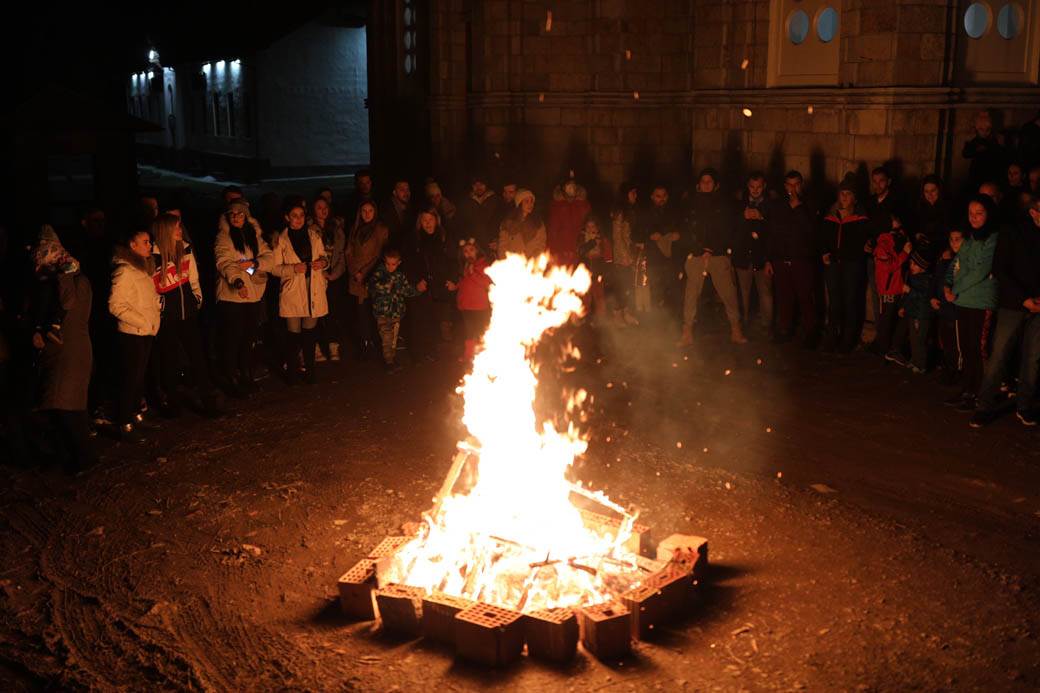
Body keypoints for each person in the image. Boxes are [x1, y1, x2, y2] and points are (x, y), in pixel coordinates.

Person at [970, 197, 1040, 427]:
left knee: (1033, 357)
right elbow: (1001, 268)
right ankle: (984, 405)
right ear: (1033, 212)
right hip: (1013, 304)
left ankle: (1025, 405)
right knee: (1000, 353)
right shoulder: (1012, 232)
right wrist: (1024, 299)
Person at [29, 227, 96, 469]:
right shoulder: (58, 282)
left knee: (67, 409)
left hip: (70, 351)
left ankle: (82, 459)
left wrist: (64, 275)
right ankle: (73, 457)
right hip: (63, 352)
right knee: (64, 407)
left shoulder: (71, 280)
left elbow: (68, 303)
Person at [151, 213, 221, 418]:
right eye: (176, 228)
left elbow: (193, 278)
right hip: (168, 318)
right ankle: (174, 405)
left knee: (197, 357)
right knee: (169, 360)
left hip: (188, 313)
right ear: (165, 232)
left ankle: (208, 402)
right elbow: (149, 288)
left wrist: (196, 298)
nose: (180, 231)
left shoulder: (186, 249)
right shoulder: (153, 258)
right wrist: (161, 306)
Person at [943, 195, 1000, 412]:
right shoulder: (970, 239)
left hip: (980, 301)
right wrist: (948, 285)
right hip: (963, 300)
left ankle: (980, 394)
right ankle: (968, 389)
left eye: (979, 213)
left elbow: (980, 270)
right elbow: (958, 263)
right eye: (971, 214)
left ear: (988, 214)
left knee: (978, 349)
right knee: (966, 348)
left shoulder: (993, 238)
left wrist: (955, 287)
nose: (974, 218)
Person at [681, 168, 746, 345]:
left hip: (718, 255)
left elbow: (728, 230)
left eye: (710, 181)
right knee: (691, 294)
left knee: (728, 293)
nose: (706, 184)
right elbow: (687, 229)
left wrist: (713, 249)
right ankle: (687, 331)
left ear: (716, 185)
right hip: (696, 256)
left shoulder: (724, 205)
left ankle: (735, 329)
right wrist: (699, 249)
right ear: (699, 184)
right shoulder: (691, 204)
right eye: (704, 181)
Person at [214, 199, 272, 396]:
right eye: (232, 214)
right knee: (233, 338)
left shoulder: (254, 236)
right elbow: (224, 261)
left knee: (248, 337)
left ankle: (246, 374)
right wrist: (237, 282)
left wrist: (254, 264)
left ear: (246, 216)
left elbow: (269, 257)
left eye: (240, 214)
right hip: (232, 298)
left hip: (254, 295)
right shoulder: (224, 237)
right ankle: (231, 377)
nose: (236, 217)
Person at [109, 230, 160, 441]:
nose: (150, 245)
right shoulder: (124, 271)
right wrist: (143, 322)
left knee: (138, 378)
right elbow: (115, 305)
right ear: (132, 245)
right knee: (130, 379)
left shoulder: (141, 268)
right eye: (145, 242)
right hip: (133, 334)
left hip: (145, 331)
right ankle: (124, 423)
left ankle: (136, 414)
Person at [272, 196, 329, 384]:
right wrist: (293, 269)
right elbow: (274, 268)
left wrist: (323, 262)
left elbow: (323, 256)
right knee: (293, 335)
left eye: (301, 215)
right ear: (287, 217)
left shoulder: (313, 236)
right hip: (293, 290)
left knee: (310, 334)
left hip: (312, 289)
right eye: (294, 216)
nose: (298, 219)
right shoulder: (281, 240)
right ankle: (293, 373)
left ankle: (310, 371)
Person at [819, 176, 873, 353]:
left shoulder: (861, 219)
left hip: (852, 265)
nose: (844, 197)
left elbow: (865, 242)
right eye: (842, 194)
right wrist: (825, 252)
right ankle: (832, 337)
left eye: (848, 194)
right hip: (833, 265)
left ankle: (847, 340)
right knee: (834, 303)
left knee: (850, 302)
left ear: (854, 198)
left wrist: (863, 250)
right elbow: (823, 238)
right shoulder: (830, 217)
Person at [766, 170, 818, 346]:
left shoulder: (809, 205)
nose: (792, 188)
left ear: (801, 185)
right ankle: (784, 329)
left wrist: (799, 208)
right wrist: (769, 259)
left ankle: (811, 333)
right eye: (789, 185)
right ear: (784, 186)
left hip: (802, 260)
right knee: (784, 297)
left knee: (805, 297)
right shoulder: (778, 206)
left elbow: (812, 231)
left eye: (796, 184)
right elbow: (772, 233)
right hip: (781, 260)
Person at [369, 248, 427, 372]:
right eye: (388, 264)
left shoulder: (400, 275)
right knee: (386, 338)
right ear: (384, 262)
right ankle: (388, 362)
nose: (390, 267)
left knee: (394, 338)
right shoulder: (379, 273)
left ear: (398, 263)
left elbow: (406, 290)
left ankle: (392, 358)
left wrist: (418, 289)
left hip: (396, 313)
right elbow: (373, 286)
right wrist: (388, 283)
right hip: (383, 313)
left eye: (393, 264)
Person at [732, 172, 774, 336]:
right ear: (747, 186)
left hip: (763, 258)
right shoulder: (739, 204)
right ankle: (743, 323)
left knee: (765, 292)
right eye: (752, 186)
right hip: (743, 257)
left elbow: (775, 231)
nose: (755, 190)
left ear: (764, 187)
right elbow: (732, 228)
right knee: (743, 292)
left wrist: (762, 217)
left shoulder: (771, 206)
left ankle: (767, 325)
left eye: (758, 187)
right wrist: (743, 217)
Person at [346, 201, 388, 360]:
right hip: (356, 278)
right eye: (364, 210)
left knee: (375, 311)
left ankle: (380, 343)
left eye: (370, 210)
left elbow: (379, 254)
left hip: (372, 276)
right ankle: (365, 343)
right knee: (361, 312)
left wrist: (364, 272)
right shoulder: (355, 229)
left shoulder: (381, 230)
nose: (367, 214)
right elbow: (348, 251)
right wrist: (354, 271)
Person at [311, 196, 347, 363]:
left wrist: (333, 274)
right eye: (319, 207)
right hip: (317, 278)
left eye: (325, 207)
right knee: (316, 313)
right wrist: (321, 274)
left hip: (333, 277)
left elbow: (341, 255)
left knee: (333, 313)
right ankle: (316, 347)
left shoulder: (337, 228)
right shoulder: (309, 229)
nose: (323, 210)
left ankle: (333, 346)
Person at [637, 185, 682, 318]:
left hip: (671, 259)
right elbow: (636, 233)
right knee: (656, 289)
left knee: (673, 288)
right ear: (652, 197)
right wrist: (649, 236)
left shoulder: (674, 212)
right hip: (654, 258)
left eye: (664, 196)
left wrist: (678, 235)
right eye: (658, 196)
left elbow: (683, 228)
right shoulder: (645, 213)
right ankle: (657, 321)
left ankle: (673, 319)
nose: (661, 199)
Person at [887, 248, 933, 373]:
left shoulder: (926, 280)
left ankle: (921, 364)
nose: (911, 266)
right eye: (911, 263)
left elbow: (924, 296)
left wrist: (909, 291)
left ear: (922, 267)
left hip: (921, 315)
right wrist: (903, 307)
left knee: (919, 340)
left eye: (914, 264)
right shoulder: (913, 278)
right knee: (913, 339)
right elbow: (909, 297)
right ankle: (915, 360)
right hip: (912, 313)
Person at [871, 214, 912, 356]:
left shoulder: (897, 240)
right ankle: (883, 349)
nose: (898, 227)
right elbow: (889, 267)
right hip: (888, 290)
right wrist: (905, 253)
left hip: (897, 288)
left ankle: (891, 349)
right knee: (886, 321)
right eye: (894, 223)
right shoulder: (883, 245)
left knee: (894, 319)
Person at [930, 228, 964, 385]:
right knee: (946, 342)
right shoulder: (945, 260)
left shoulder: (964, 260)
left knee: (956, 343)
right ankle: (949, 370)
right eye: (952, 239)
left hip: (956, 308)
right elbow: (938, 279)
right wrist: (933, 297)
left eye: (958, 239)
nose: (954, 242)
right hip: (943, 307)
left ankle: (957, 373)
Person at [450, 238, 492, 361]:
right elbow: (464, 282)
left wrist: (473, 273)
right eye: (465, 251)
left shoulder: (484, 265)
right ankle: (469, 355)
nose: (469, 253)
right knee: (469, 333)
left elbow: (486, 283)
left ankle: (482, 357)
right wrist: (455, 286)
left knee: (480, 333)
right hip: (466, 306)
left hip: (480, 307)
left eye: (471, 250)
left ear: (477, 251)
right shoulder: (466, 266)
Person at [610, 182, 640, 326]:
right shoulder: (619, 212)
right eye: (632, 192)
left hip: (628, 253)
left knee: (627, 285)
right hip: (621, 256)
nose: (635, 195)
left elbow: (629, 234)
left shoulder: (630, 211)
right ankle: (617, 315)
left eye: (636, 192)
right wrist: (625, 256)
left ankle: (626, 313)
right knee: (620, 286)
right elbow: (617, 236)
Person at [547, 175, 591, 266]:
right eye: (568, 185)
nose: (572, 188)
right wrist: (554, 250)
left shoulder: (583, 205)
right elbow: (553, 230)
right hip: (561, 250)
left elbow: (589, 225)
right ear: (563, 188)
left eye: (574, 185)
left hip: (580, 250)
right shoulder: (557, 206)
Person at [578, 217, 613, 323]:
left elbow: (608, 256)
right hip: (586, 272)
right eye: (588, 226)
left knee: (599, 296)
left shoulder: (602, 239)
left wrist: (607, 271)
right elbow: (581, 251)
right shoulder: (581, 237)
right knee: (586, 297)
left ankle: (601, 320)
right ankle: (583, 319)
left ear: (597, 227)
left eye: (593, 226)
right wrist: (593, 242)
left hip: (598, 271)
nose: (590, 228)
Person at [962, 110, 1007, 192]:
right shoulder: (975, 141)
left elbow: (1001, 155)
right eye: (981, 129)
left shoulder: (995, 140)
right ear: (977, 129)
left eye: (988, 129)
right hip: (977, 175)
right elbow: (965, 153)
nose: (984, 132)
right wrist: (976, 150)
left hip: (992, 174)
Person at [456, 173, 500, 251]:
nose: (478, 187)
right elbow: (461, 223)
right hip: (474, 246)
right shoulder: (466, 203)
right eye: (475, 185)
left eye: (481, 184)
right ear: (472, 186)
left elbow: (499, 220)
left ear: (486, 185)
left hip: (491, 244)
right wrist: (466, 239)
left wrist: (496, 238)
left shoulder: (495, 200)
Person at [498, 189, 546, 259]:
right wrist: (504, 261)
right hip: (513, 263)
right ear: (519, 203)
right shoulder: (508, 222)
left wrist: (533, 260)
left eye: (532, 201)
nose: (530, 204)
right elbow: (503, 245)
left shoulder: (538, 222)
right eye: (527, 201)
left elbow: (541, 243)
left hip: (531, 263)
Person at [914, 174, 953, 248]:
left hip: (944, 246)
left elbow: (949, 233)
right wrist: (917, 234)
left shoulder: (948, 207)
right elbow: (916, 226)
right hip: (924, 245)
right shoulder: (920, 206)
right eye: (926, 191)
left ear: (939, 190)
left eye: (933, 190)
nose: (929, 195)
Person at [383, 177, 414, 250]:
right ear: (394, 192)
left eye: (407, 189)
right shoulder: (386, 210)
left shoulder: (411, 208)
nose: (406, 193)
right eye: (402, 190)